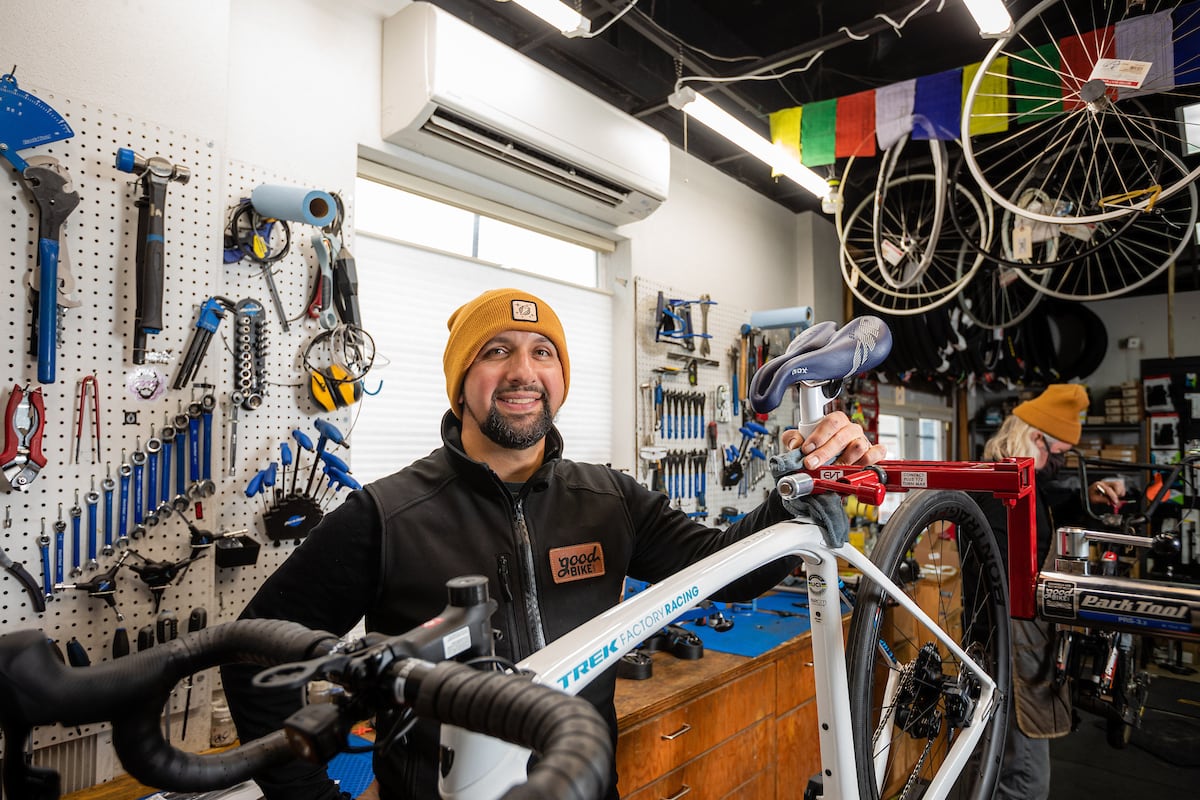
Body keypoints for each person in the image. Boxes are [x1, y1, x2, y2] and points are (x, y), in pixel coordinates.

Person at [222, 288, 884, 800]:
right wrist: (316, 795)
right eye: (496, 350)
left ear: (561, 377)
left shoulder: (611, 500)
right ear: (461, 382)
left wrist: (804, 490)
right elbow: (252, 656)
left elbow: (728, 574)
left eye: (542, 351)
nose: (523, 370)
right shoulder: (386, 514)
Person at [973, 384, 1126, 800]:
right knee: (1023, 783)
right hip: (1007, 650)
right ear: (1034, 438)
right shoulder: (999, 492)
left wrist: (1090, 497)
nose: (1059, 463)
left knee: (1000, 772)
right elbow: (1002, 583)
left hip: (1016, 647)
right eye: (1057, 453)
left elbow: (1052, 502)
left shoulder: (1022, 485)